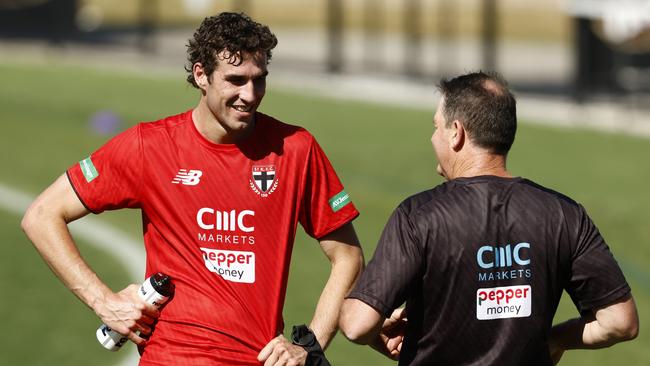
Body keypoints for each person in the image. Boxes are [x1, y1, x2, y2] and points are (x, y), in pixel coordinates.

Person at [21, 12, 363, 366]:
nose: (249, 95)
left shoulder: (296, 149)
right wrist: (103, 301)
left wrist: (310, 347)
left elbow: (348, 256)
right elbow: (43, 215)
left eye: (258, 80)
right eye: (235, 80)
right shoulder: (149, 146)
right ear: (201, 75)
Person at [338, 71, 639, 365]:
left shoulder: (419, 216)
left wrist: (367, 317)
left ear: (456, 132)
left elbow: (357, 325)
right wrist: (556, 338)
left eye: (436, 126)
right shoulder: (564, 214)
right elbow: (619, 322)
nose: (433, 137)